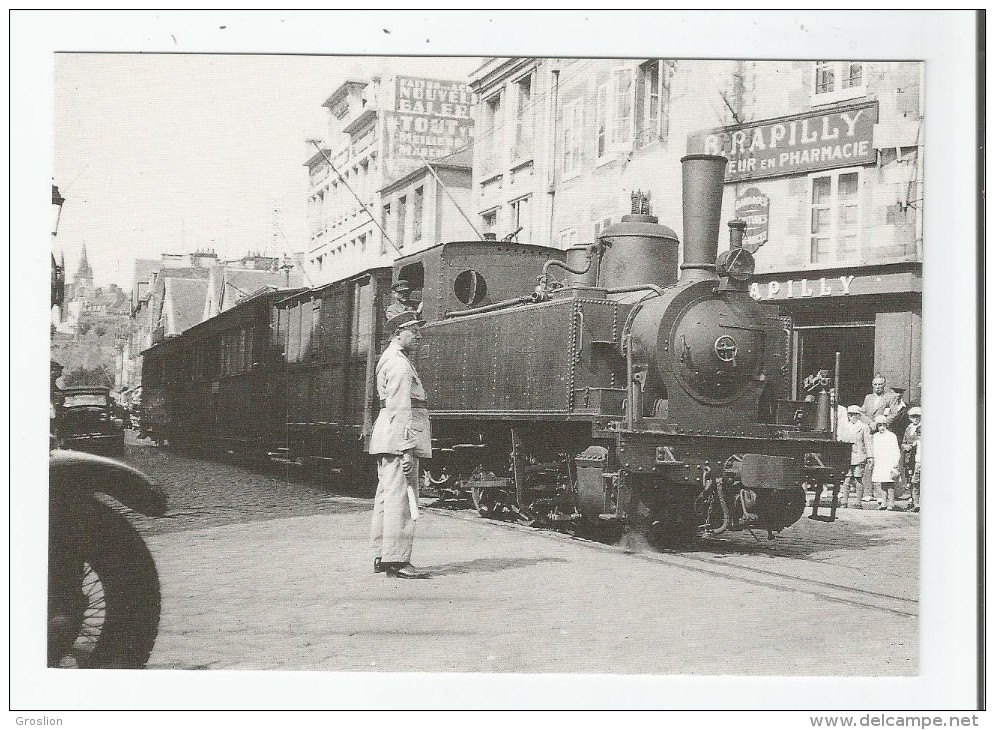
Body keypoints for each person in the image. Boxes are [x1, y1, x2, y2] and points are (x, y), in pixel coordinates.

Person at [367, 311, 432, 579]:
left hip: (387, 436)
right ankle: (397, 561)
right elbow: (401, 409)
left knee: (386, 497)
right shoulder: (400, 365)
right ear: (398, 333)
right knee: (401, 500)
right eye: (413, 330)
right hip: (398, 439)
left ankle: (383, 555)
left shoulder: (391, 360)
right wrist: (407, 449)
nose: (418, 335)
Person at [837, 405, 873, 508]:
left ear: (859, 415)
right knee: (846, 479)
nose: (852, 417)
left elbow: (868, 442)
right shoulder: (844, 426)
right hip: (847, 456)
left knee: (858, 479)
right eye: (850, 414)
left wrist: (870, 456)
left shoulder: (864, 427)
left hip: (859, 456)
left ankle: (858, 503)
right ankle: (844, 502)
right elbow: (841, 440)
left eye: (854, 414)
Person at [870, 415, 902, 511]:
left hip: (889, 461)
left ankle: (891, 503)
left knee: (890, 483)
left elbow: (896, 450)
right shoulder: (875, 436)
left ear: (886, 425)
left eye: (883, 425)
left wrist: (895, 463)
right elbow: (874, 449)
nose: (881, 427)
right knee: (882, 483)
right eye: (879, 425)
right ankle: (883, 502)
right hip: (880, 462)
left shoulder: (892, 436)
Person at [903, 407, 922, 512]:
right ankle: (912, 500)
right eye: (913, 417)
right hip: (908, 457)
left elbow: (918, 440)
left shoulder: (922, 428)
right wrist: (905, 446)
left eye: (918, 416)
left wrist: (912, 446)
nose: (916, 419)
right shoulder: (908, 428)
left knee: (916, 480)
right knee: (909, 479)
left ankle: (917, 502)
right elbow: (904, 441)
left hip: (917, 457)